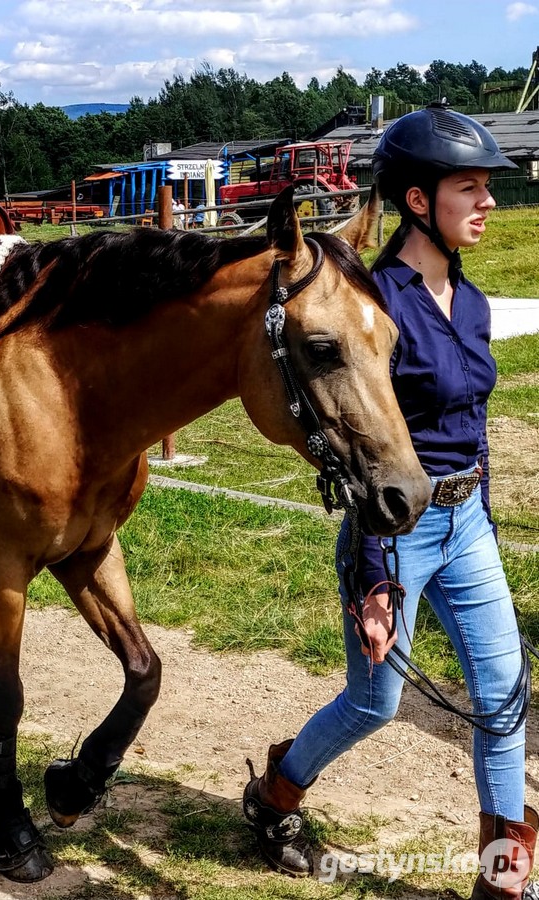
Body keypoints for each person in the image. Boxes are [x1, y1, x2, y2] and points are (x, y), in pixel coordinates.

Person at [242, 102, 537, 899]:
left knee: (503, 698)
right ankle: (276, 792)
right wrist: (375, 572)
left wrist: (485, 517)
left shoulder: (471, 301)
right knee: (375, 704)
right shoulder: (380, 309)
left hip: (466, 521)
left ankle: (503, 876)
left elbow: (471, 426)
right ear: (417, 200)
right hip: (395, 533)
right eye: (469, 188)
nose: (487, 204)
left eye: (488, 188)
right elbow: (365, 446)